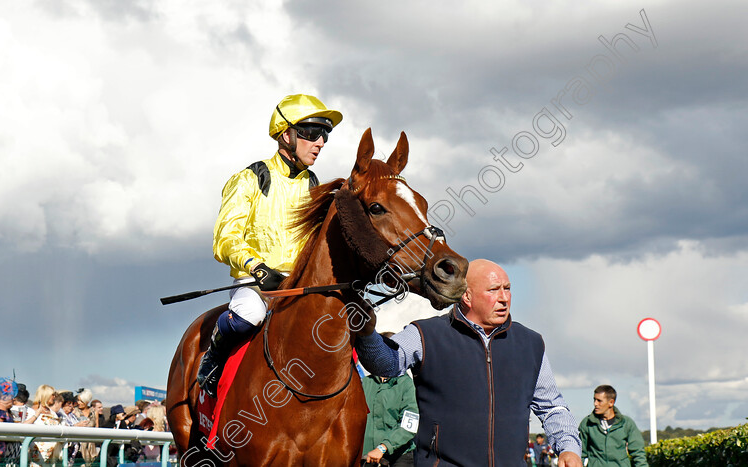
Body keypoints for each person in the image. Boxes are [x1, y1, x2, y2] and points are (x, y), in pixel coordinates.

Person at [355, 259, 583, 467]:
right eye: (494, 290)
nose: (504, 297)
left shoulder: (531, 343)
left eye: (507, 288)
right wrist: (367, 334)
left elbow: (552, 407)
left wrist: (569, 449)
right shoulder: (425, 334)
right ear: (467, 296)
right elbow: (385, 363)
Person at [196, 93, 343, 397]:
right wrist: (257, 267)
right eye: (312, 133)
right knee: (249, 316)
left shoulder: (314, 185)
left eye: (324, 135)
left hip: (298, 285)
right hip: (255, 284)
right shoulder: (249, 178)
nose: (320, 143)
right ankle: (213, 359)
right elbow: (224, 240)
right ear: (285, 134)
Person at [361, 333, 418, 467]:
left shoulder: (406, 384)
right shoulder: (364, 383)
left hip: (400, 457)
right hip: (367, 457)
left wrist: (383, 447)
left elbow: (409, 425)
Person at [579, 385, 648, 467]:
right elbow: (579, 454)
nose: (595, 404)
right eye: (594, 400)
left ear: (611, 402)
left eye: (599, 401)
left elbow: (638, 454)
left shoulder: (626, 423)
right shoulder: (586, 423)